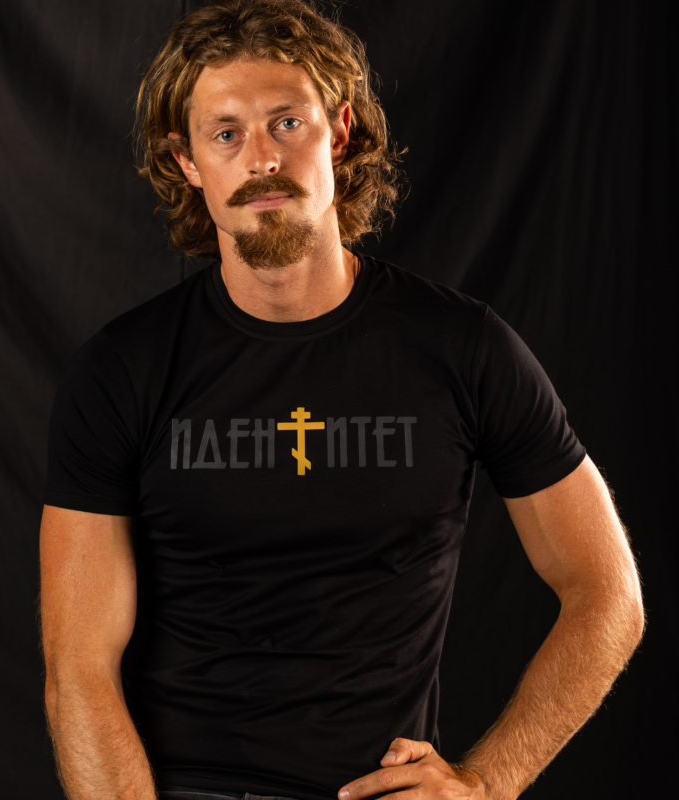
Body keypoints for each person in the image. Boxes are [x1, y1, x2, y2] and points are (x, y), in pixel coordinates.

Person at [38, 1, 645, 799]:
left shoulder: (463, 349)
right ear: (187, 162)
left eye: (287, 123)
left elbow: (608, 594)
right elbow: (78, 668)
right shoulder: (122, 371)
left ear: (341, 131)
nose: (261, 158)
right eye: (226, 134)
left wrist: (488, 784)